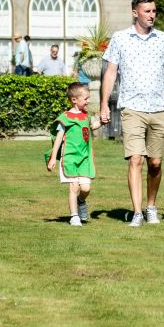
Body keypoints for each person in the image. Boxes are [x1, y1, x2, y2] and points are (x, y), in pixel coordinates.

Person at [100, 0, 164, 227]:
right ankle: (137, 212)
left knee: (155, 163)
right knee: (135, 159)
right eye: (147, 11)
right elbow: (110, 73)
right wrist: (103, 104)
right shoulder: (120, 38)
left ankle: (151, 206)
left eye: (154, 11)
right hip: (132, 108)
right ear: (135, 13)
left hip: (159, 108)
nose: (152, 15)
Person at [46, 82, 103, 226]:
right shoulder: (65, 117)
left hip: (84, 158)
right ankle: (74, 216)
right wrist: (53, 158)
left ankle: (81, 201)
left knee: (85, 188)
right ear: (74, 100)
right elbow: (58, 138)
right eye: (86, 98)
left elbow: (92, 126)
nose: (88, 101)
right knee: (74, 186)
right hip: (70, 157)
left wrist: (102, 122)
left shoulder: (86, 115)